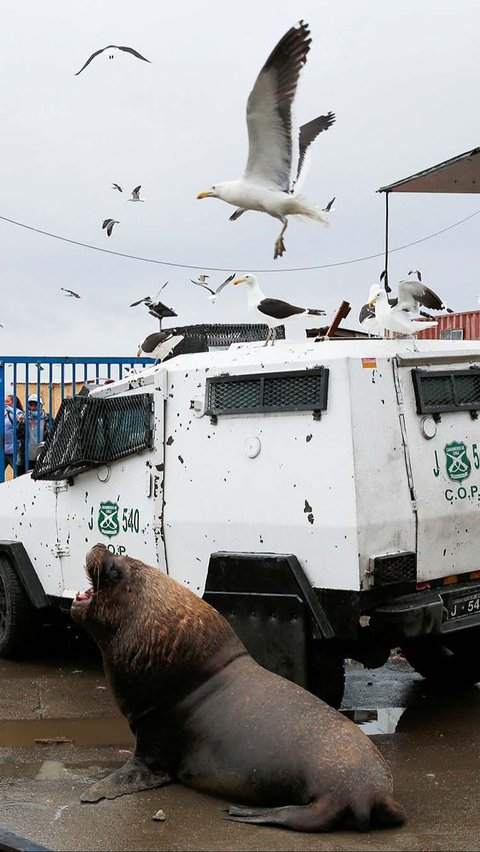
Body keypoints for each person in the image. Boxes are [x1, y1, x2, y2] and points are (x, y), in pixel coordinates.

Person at [19, 394, 50, 472]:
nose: (33, 408)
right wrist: (22, 422)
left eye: (35, 405)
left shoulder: (47, 418)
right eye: (31, 405)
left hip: (42, 455)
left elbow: (52, 435)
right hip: (26, 456)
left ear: (41, 405)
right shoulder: (24, 417)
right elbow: (18, 434)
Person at [4, 395, 24, 474]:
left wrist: (12, 410)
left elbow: (21, 419)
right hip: (3, 450)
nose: (5, 403)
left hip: (14, 450)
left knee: (19, 474)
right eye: (5, 401)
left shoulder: (17, 412)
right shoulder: (5, 414)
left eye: (7, 401)